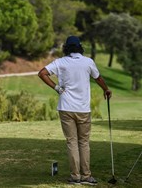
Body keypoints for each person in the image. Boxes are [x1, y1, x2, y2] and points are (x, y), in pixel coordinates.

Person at [38, 36, 112, 186]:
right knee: (83, 142)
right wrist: (106, 90)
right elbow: (98, 78)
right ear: (80, 47)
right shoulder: (88, 62)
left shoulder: (60, 62)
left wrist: (57, 88)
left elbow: (42, 73)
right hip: (83, 109)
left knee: (72, 142)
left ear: (66, 48)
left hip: (65, 108)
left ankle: (75, 177)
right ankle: (86, 176)